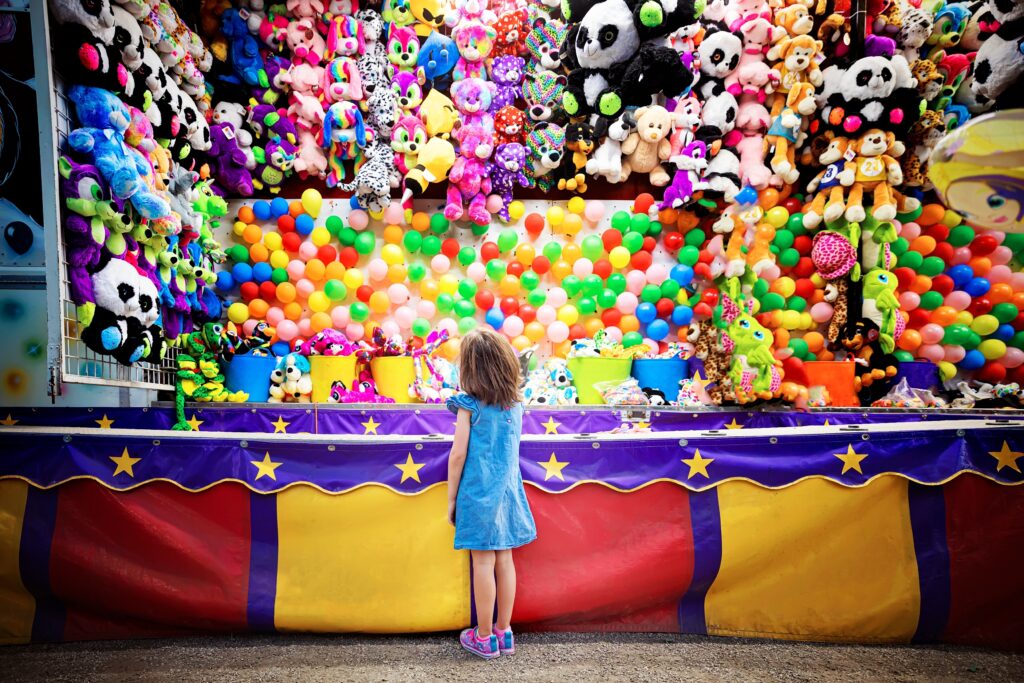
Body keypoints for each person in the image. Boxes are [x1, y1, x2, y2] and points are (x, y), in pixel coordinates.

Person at [446, 328, 537, 660]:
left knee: (482, 562)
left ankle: (483, 637)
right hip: (509, 494)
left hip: (478, 494)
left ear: (470, 369)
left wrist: (452, 498)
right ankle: (504, 631)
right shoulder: (515, 404)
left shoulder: (469, 406)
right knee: (505, 559)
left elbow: (457, 455)